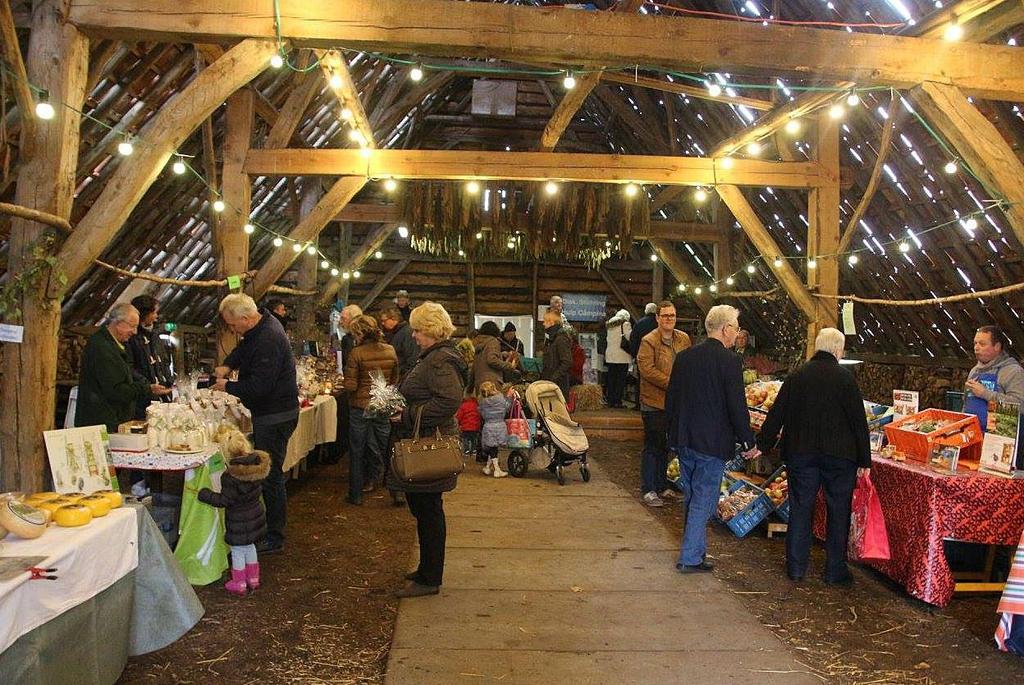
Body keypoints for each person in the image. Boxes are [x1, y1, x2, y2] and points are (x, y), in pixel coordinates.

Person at [757, 328, 871, 586]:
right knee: (838, 511)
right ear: (838, 350)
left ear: (817, 347)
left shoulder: (797, 376)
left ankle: (796, 568)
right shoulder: (845, 379)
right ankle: (834, 570)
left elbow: (777, 413)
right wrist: (865, 460)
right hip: (840, 458)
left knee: (801, 508)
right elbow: (858, 422)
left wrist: (762, 444)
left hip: (801, 454)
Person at [666, 304, 759, 574]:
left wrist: (671, 434)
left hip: (685, 438)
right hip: (711, 443)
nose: (737, 334)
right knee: (704, 500)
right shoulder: (729, 362)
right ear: (726, 329)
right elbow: (736, 406)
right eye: (736, 328)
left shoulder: (685, 357)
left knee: (693, 496)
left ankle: (696, 550)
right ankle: (690, 558)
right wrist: (748, 442)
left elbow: (672, 398)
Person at [387, 302, 468, 598]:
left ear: (431, 330)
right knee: (424, 510)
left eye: (418, 330)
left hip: (428, 445)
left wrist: (407, 415)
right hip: (422, 439)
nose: (414, 336)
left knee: (429, 511)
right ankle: (426, 568)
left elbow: (448, 402)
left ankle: (430, 576)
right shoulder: (435, 357)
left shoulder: (439, 361)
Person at [214, 293, 298, 556]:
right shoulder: (261, 325)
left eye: (233, 324)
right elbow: (244, 348)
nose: (232, 329)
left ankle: (275, 535)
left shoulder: (269, 338)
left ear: (246, 318)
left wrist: (227, 386)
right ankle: (269, 528)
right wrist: (228, 365)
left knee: (269, 475)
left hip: (275, 415)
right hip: (273, 412)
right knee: (268, 473)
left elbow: (260, 388)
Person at [76, 303, 171, 431]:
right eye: (132, 326)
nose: (134, 332)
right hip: (100, 424)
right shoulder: (102, 348)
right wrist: (147, 389)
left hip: (111, 420)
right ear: (117, 322)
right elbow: (116, 390)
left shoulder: (115, 344)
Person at [197, 431, 270, 596]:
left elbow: (225, 500)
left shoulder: (230, 477)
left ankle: (239, 582)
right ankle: (253, 578)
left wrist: (205, 494)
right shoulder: (256, 469)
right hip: (255, 515)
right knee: (250, 547)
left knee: (237, 550)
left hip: (238, 520)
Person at [636, 300, 691, 508]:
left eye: (673, 315)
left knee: (667, 446)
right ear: (657, 318)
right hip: (654, 403)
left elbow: (689, 363)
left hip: (676, 403)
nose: (669, 319)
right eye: (665, 316)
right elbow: (647, 370)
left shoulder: (683, 339)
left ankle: (662, 485)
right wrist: (673, 384)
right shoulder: (648, 341)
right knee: (652, 446)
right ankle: (648, 488)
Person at [343, 315, 399, 505]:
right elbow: (394, 380)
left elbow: (351, 386)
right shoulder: (390, 350)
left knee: (357, 451)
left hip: (360, 407)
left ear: (358, 333)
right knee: (387, 448)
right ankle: (397, 491)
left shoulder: (356, 353)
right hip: (382, 404)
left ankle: (355, 494)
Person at [965, 325, 1024, 427]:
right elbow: (966, 403)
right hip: (972, 435)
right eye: (975, 343)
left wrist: (986, 394)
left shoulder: (1013, 371)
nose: (976, 347)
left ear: (997, 346)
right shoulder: (974, 371)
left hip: (999, 439)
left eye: (982, 344)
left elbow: (1021, 406)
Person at [126, 294, 171, 420]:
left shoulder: (155, 335)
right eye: (154, 312)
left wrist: (168, 379)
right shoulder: (131, 338)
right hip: (142, 399)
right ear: (145, 314)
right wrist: (147, 385)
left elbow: (165, 360)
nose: (156, 316)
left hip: (162, 394)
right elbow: (129, 366)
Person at [473, 321, 516, 393]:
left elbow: (476, 364)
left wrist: (470, 387)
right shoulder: (493, 342)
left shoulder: (478, 343)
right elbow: (492, 360)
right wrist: (509, 365)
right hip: (491, 384)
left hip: (479, 382)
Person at [478, 381, 509, 478]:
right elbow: (507, 407)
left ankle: (487, 467)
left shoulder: (482, 402)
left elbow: (482, 414)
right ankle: (497, 470)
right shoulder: (500, 399)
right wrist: (509, 397)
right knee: (494, 449)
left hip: (488, 426)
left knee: (492, 448)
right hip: (500, 425)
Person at [380, 305, 420, 380]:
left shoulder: (407, 333)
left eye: (384, 320)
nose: (382, 323)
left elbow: (412, 357)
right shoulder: (394, 333)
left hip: (403, 376)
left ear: (394, 319)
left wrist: (403, 374)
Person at [540, 309, 573, 398]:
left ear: (552, 322)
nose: (543, 324)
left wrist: (554, 378)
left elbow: (567, 362)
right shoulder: (551, 339)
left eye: (545, 321)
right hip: (551, 384)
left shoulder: (561, 339)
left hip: (558, 386)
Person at [604, 308, 632, 408]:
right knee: (620, 380)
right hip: (622, 356)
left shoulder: (610, 325)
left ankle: (610, 400)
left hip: (611, 356)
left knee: (611, 379)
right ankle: (617, 401)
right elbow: (629, 337)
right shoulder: (625, 324)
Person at [455, 392, 482, 458]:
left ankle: (466, 450)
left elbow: (459, 416)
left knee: (465, 439)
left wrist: (459, 423)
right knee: (474, 438)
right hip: (475, 426)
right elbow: (479, 415)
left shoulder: (463, 406)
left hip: (465, 427)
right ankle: (474, 450)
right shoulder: (476, 405)